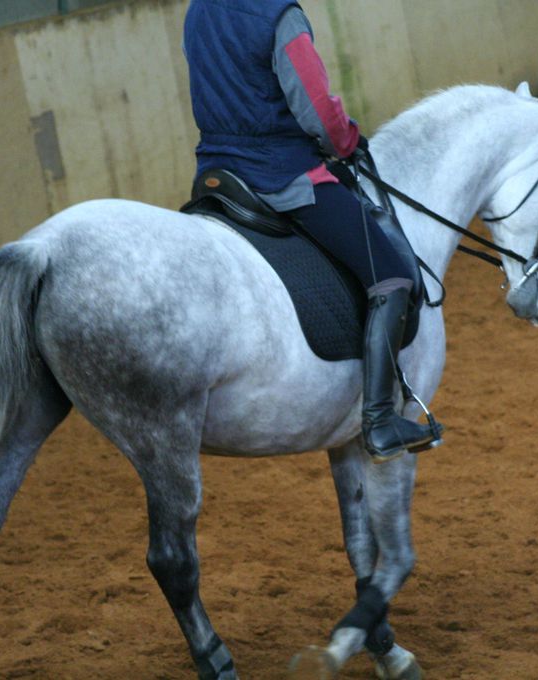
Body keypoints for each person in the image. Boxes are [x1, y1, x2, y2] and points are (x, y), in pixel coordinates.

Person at [183, 0, 442, 461]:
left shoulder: (199, 8)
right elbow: (317, 109)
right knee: (392, 275)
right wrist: (345, 140)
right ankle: (380, 420)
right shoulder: (280, 15)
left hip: (218, 176)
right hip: (281, 177)